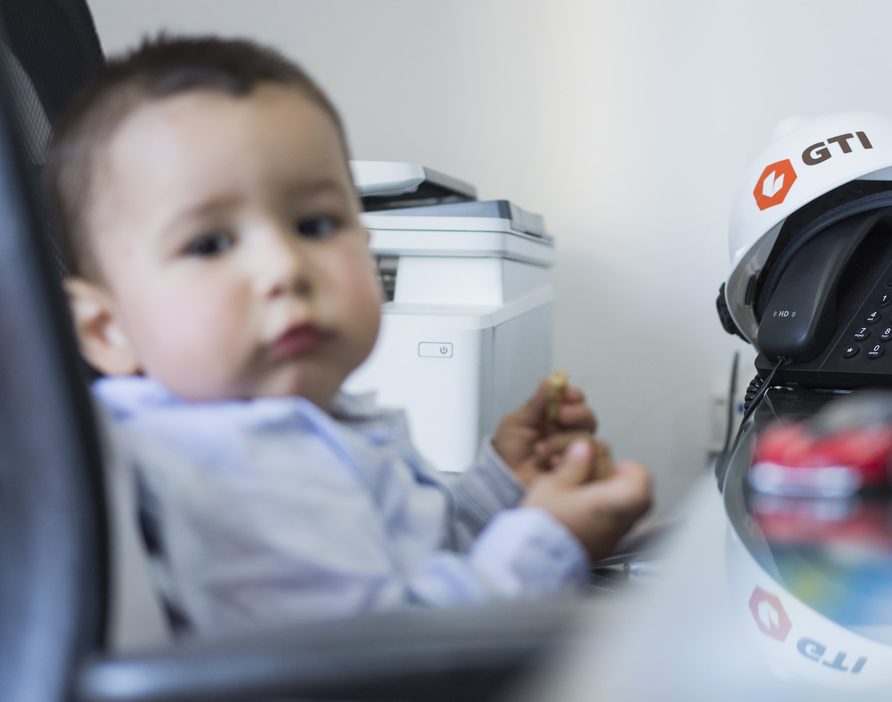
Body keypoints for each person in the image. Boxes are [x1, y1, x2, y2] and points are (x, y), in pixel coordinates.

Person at [44, 35, 653, 637]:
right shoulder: (215, 466)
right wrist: (549, 543)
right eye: (209, 244)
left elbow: (397, 553)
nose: (285, 268)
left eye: (314, 224)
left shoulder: (300, 421)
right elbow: (379, 658)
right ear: (107, 328)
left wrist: (501, 487)